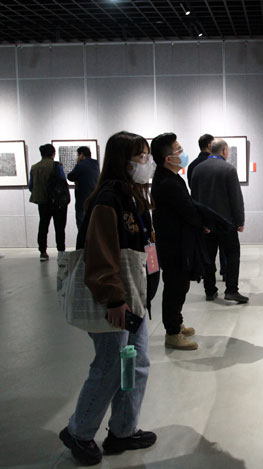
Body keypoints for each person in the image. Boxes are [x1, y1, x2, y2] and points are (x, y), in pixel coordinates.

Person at [59, 131, 157, 466]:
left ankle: (123, 430)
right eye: (141, 156)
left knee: (136, 364)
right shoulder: (108, 199)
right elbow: (100, 254)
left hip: (136, 297)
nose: (146, 162)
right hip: (117, 300)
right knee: (110, 366)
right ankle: (79, 431)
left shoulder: (134, 195)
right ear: (123, 160)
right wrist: (114, 299)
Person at [151, 132, 211, 350]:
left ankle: (177, 322)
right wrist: (202, 223)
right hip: (173, 245)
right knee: (175, 287)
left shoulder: (172, 178)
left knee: (179, 285)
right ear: (168, 158)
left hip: (177, 242)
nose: (183, 153)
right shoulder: (167, 182)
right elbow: (187, 211)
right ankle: (172, 333)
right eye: (179, 150)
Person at [191, 138, 248, 303]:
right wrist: (240, 221)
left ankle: (210, 290)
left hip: (206, 223)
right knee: (232, 254)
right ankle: (231, 290)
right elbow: (235, 197)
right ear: (224, 151)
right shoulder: (228, 169)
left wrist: (199, 222)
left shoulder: (197, 169)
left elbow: (194, 198)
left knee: (208, 256)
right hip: (226, 222)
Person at [28, 143, 69, 261]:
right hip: (58, 202)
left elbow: (31, 186)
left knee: (43, 226)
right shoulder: (56, 166)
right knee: (59, 227)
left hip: (42, 202)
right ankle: (61, 251)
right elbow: (62, 181)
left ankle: (43, 252)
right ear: (53, 154)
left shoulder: (34, 167)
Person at [67, 146, 100, 229]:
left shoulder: (80, 165)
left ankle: (82, 237)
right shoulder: (96, 164)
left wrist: (78, 163)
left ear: (81, 154)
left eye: (78, 155)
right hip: (94, 197)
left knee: (81, 221)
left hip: (82, 198)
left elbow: (70, 177)